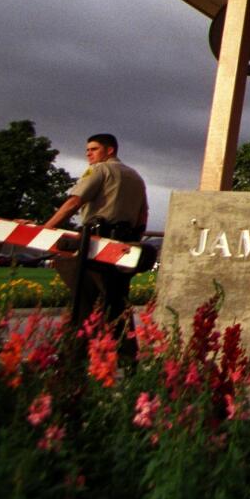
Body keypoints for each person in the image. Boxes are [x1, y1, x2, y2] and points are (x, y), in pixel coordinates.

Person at [44, 133, 148, 363]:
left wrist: (47, 228)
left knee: (85, 299)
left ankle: (75, 355)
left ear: (110, 150)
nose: (88, 154)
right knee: (117, 300)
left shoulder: (99, 171)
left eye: (93, 149)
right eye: (87, 150)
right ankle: (126, 354)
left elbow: (74, 201)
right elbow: (143, 216)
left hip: (95, 245)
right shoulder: (136, 177)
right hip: (122, 246)